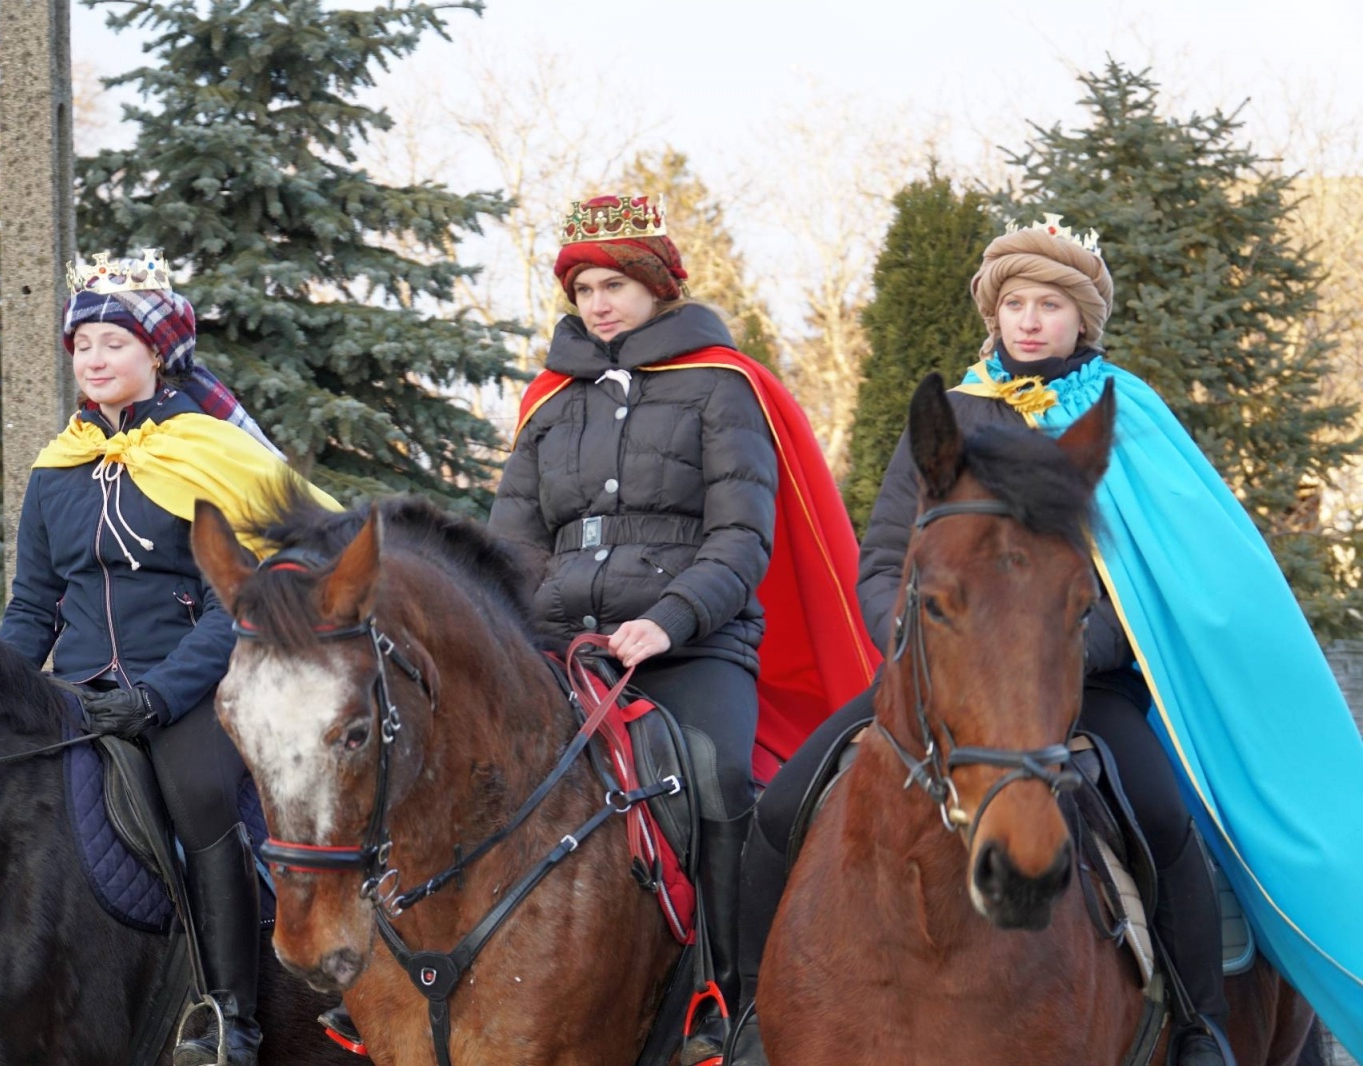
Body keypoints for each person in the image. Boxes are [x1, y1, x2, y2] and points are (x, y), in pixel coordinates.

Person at [735, 214, 1241, 1064]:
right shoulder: (952, 418)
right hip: (941, 673)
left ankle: (1198, 1027)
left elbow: (1145, 590)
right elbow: (887, 556)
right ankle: (750, 1016)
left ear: (1084, 320)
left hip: (1080, 685)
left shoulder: (1129, 426)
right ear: (993, 314)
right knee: (778, 807)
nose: (1031, 320)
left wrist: (1055, 657)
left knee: (1160, 814)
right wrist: (922, 650)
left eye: (1050, 304)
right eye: (1015, 303)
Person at [489, 195, 876, 1065]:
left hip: (694, 644)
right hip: (558, 644)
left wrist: (666, 623)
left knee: (716, 780)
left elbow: (743, 537)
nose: (598, 302)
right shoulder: (550, 401)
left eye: (616, 283)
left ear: (657, 287)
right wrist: (514, 630)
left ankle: (734, 1006)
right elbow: (511, 538)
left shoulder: (724, 387)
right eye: (585, 286)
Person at [0, 250, 339, 1066]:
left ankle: (229, 1013)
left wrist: (157, 697)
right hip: (73, 691)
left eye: (114, 343)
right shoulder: (56, 472)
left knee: (200, 797)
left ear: (157, 353)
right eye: (83, 346)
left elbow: (239, 603)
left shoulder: (211, 454)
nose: (95, 360)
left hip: (190, 692)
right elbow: (33, 605)